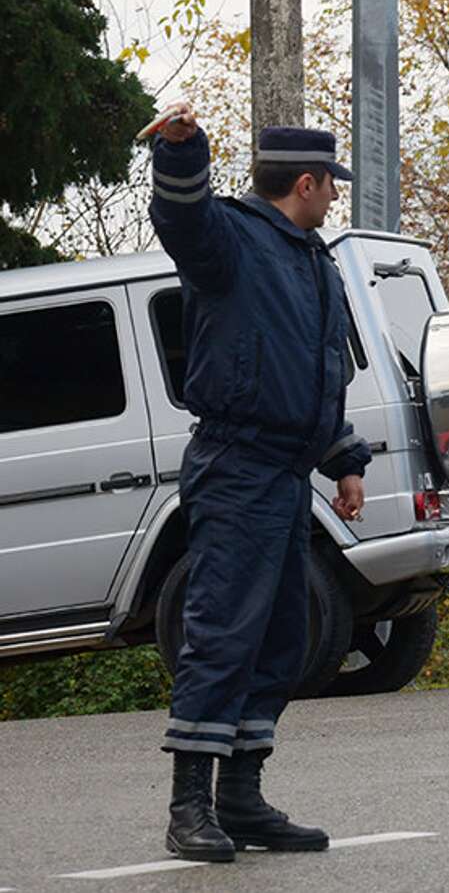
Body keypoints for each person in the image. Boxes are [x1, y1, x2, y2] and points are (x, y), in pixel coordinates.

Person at [146, 104, 371, 863]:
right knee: (222, 633)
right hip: (235, 467)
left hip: (284, 474)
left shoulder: (313, 259)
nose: (335, 197)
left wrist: (342, 458)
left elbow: (311, 373)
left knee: (282, 636)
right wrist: (183, 155)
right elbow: (182, 220)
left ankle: (241, 798)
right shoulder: (233, 241)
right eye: (330, 185)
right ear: (304, 182)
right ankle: (189, 808)